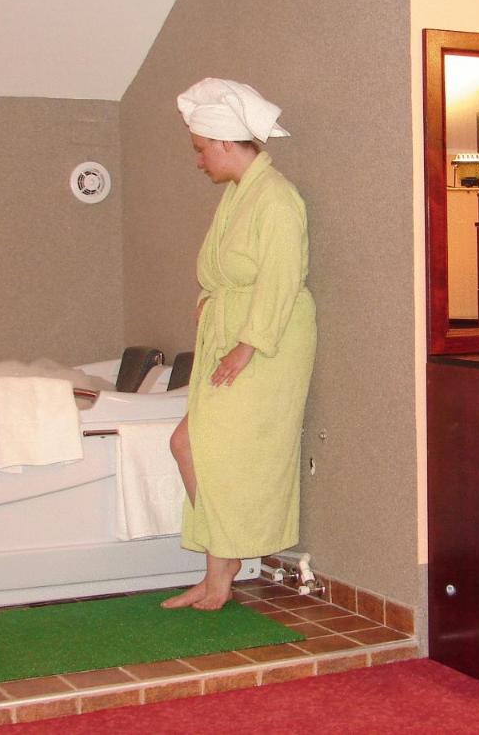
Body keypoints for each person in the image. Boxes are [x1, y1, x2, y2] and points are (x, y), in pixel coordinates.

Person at [162, 78, 317, 611]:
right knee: (191, 444)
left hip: (267, 344)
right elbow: (227, 270)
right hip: (232, 334)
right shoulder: (238, 196)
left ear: (225, 142)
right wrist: (211, 303)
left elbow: (281, 278)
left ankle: (221, 571)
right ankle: (219, 568)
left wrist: (247, 345)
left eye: (201, 148)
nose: (199, 160)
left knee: (213, 449)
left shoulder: (277, 199)